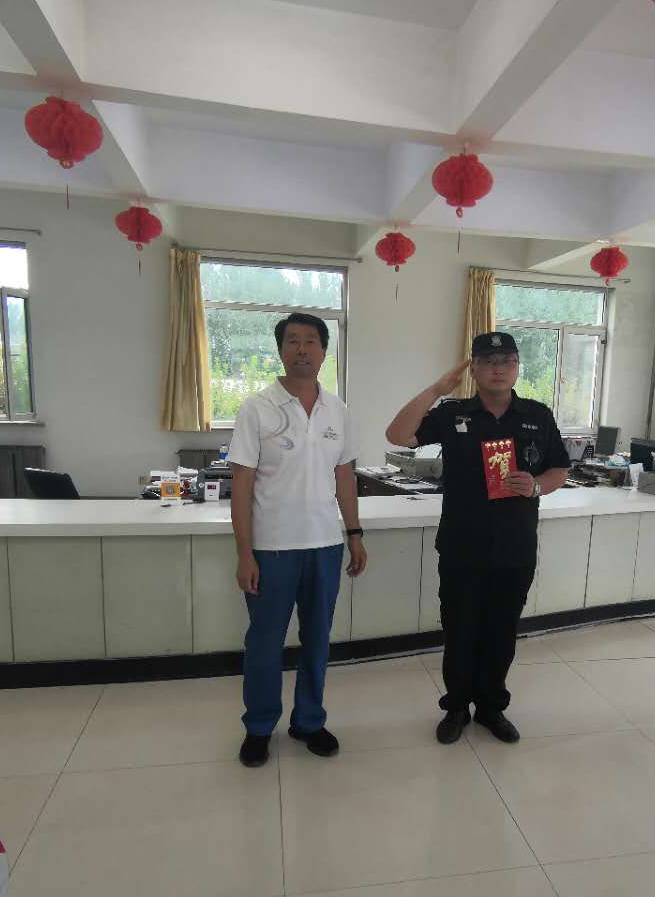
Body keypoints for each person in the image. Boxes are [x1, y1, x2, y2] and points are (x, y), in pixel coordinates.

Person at [385, 332, 570, 745]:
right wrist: (437, 389)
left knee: (501, 631)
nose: (498, 368)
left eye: (506, 361)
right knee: (460, 630)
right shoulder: (454, 413)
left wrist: (536, 485)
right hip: (461, 546)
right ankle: (456, 707)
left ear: (517, 367)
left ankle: (490, 707)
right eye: (488, 361)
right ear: (474, 369)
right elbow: (397, 435)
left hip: (515, 547)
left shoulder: (537, 415)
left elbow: (559, 469)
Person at [229, 313, 367, 767]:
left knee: (317, 640)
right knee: (265, 643)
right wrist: (245, 553)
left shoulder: (338, 410)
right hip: (271, 549)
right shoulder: (257, 408)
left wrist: (354, 534)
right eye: (293, 341)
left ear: (324, 351)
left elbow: (344, 476)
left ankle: (308, 720)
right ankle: (258, 727)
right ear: (281, 349)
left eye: (311, 341)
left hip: (325, 545)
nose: (302, 349)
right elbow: (242, 485)